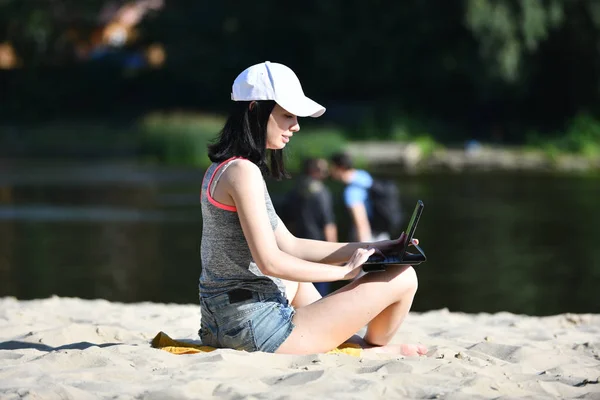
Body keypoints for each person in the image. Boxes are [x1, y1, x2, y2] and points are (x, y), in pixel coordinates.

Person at [199, 61, 427, 356]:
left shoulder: (223, 168)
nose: (295, 126)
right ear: (255, 109)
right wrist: (345, 272)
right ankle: (373, 350)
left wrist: (377, 247)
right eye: (287, 116)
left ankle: (351, 343)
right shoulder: (243, 172)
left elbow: (290, 245)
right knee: (404, 276)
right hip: (253, 328)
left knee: (296, 281)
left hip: (221, 320)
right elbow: (270, 262)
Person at [283, 157, 337, 296]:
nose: (326, 172)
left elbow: (288, 220)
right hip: (319, 247)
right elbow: (328, 223)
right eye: (323, 169)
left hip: (297, 246)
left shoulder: (295, 190)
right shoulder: (321, 192)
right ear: (314, 170)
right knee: (321, 290)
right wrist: (335, 252)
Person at [329, 152, 392, 242]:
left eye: (332, 166)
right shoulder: (362, 175)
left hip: (370, 239)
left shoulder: (351, 192)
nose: (330, 170)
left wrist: (364, 250)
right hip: (381, 234)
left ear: (340, 168)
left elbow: (361, 224)